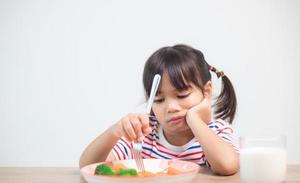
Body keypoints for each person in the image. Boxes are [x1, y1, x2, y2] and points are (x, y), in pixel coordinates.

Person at [79, 44, 239, 175]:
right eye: (159, 99)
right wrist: (115, 131)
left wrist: (194, 119)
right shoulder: (145, 136)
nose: (170, 107)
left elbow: (227, 166)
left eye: (182, 95)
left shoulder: (217, 132)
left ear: (206, 91)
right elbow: (91, 167)